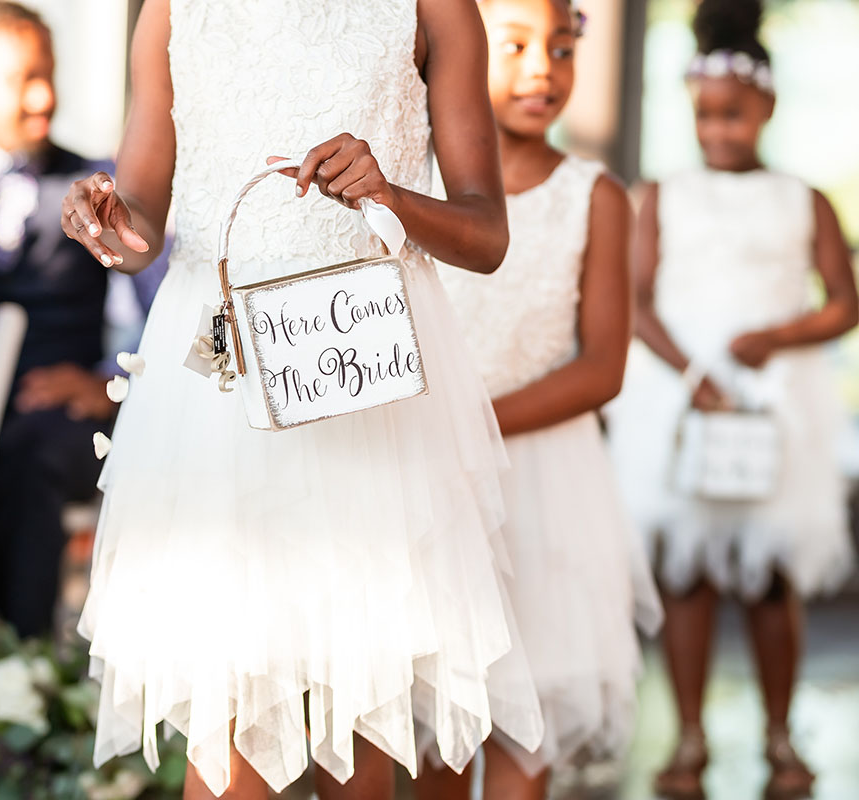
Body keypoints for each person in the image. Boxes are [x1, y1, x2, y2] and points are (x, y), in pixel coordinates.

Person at [60, 0, 546, 797]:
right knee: (232, 721)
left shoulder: (434, 8)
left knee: (360, 724)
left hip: (364, 375)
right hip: (221, 385)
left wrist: (389, 195)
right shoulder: (175, 11)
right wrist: (108, 220)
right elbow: (142, 217)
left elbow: (485, 234)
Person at [605, 1, 859, 797]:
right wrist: (694, 374)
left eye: (735, 115)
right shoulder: (663, 194)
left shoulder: (804, 199)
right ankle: (689, 739)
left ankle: (780, 738)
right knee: (689, 570)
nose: (719, 130)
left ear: (768, 108)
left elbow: (845, 305)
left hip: (776, 404)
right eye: (705, 116)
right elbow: (637, 303)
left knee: (770, 573)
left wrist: (776, 338)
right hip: (687, 403)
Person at [415, 2, 662, 798]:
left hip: (546, 486)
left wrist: (474, 423)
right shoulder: (414, 182)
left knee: (529, 725)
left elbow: (602, 369)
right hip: (434, 482)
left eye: (562, 49)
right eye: (516, 46)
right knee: (438, 719)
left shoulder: (595, 197)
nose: (541, 71)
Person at [0, 1, 163, 638]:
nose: (44, 98)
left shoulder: (99, 187)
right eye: (22, 80)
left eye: (51, 75)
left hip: (59, 421)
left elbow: (170, 306)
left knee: (25, 455)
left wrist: (105, 384)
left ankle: (16, 665)